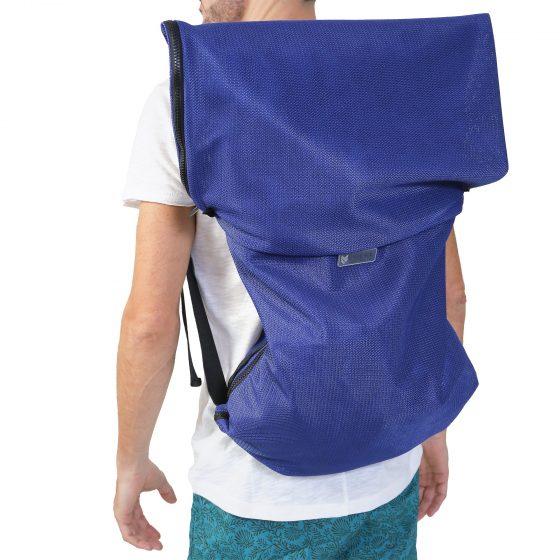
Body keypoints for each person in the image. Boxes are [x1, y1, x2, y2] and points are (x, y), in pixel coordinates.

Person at [113, 1, 468, 557]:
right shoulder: (396, 90)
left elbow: (150, 324)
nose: (197, 1)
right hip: (388, 475)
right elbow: (446, 292)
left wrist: (130, 462)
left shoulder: (188, 100)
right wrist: (431, 427)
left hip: (255, 492)